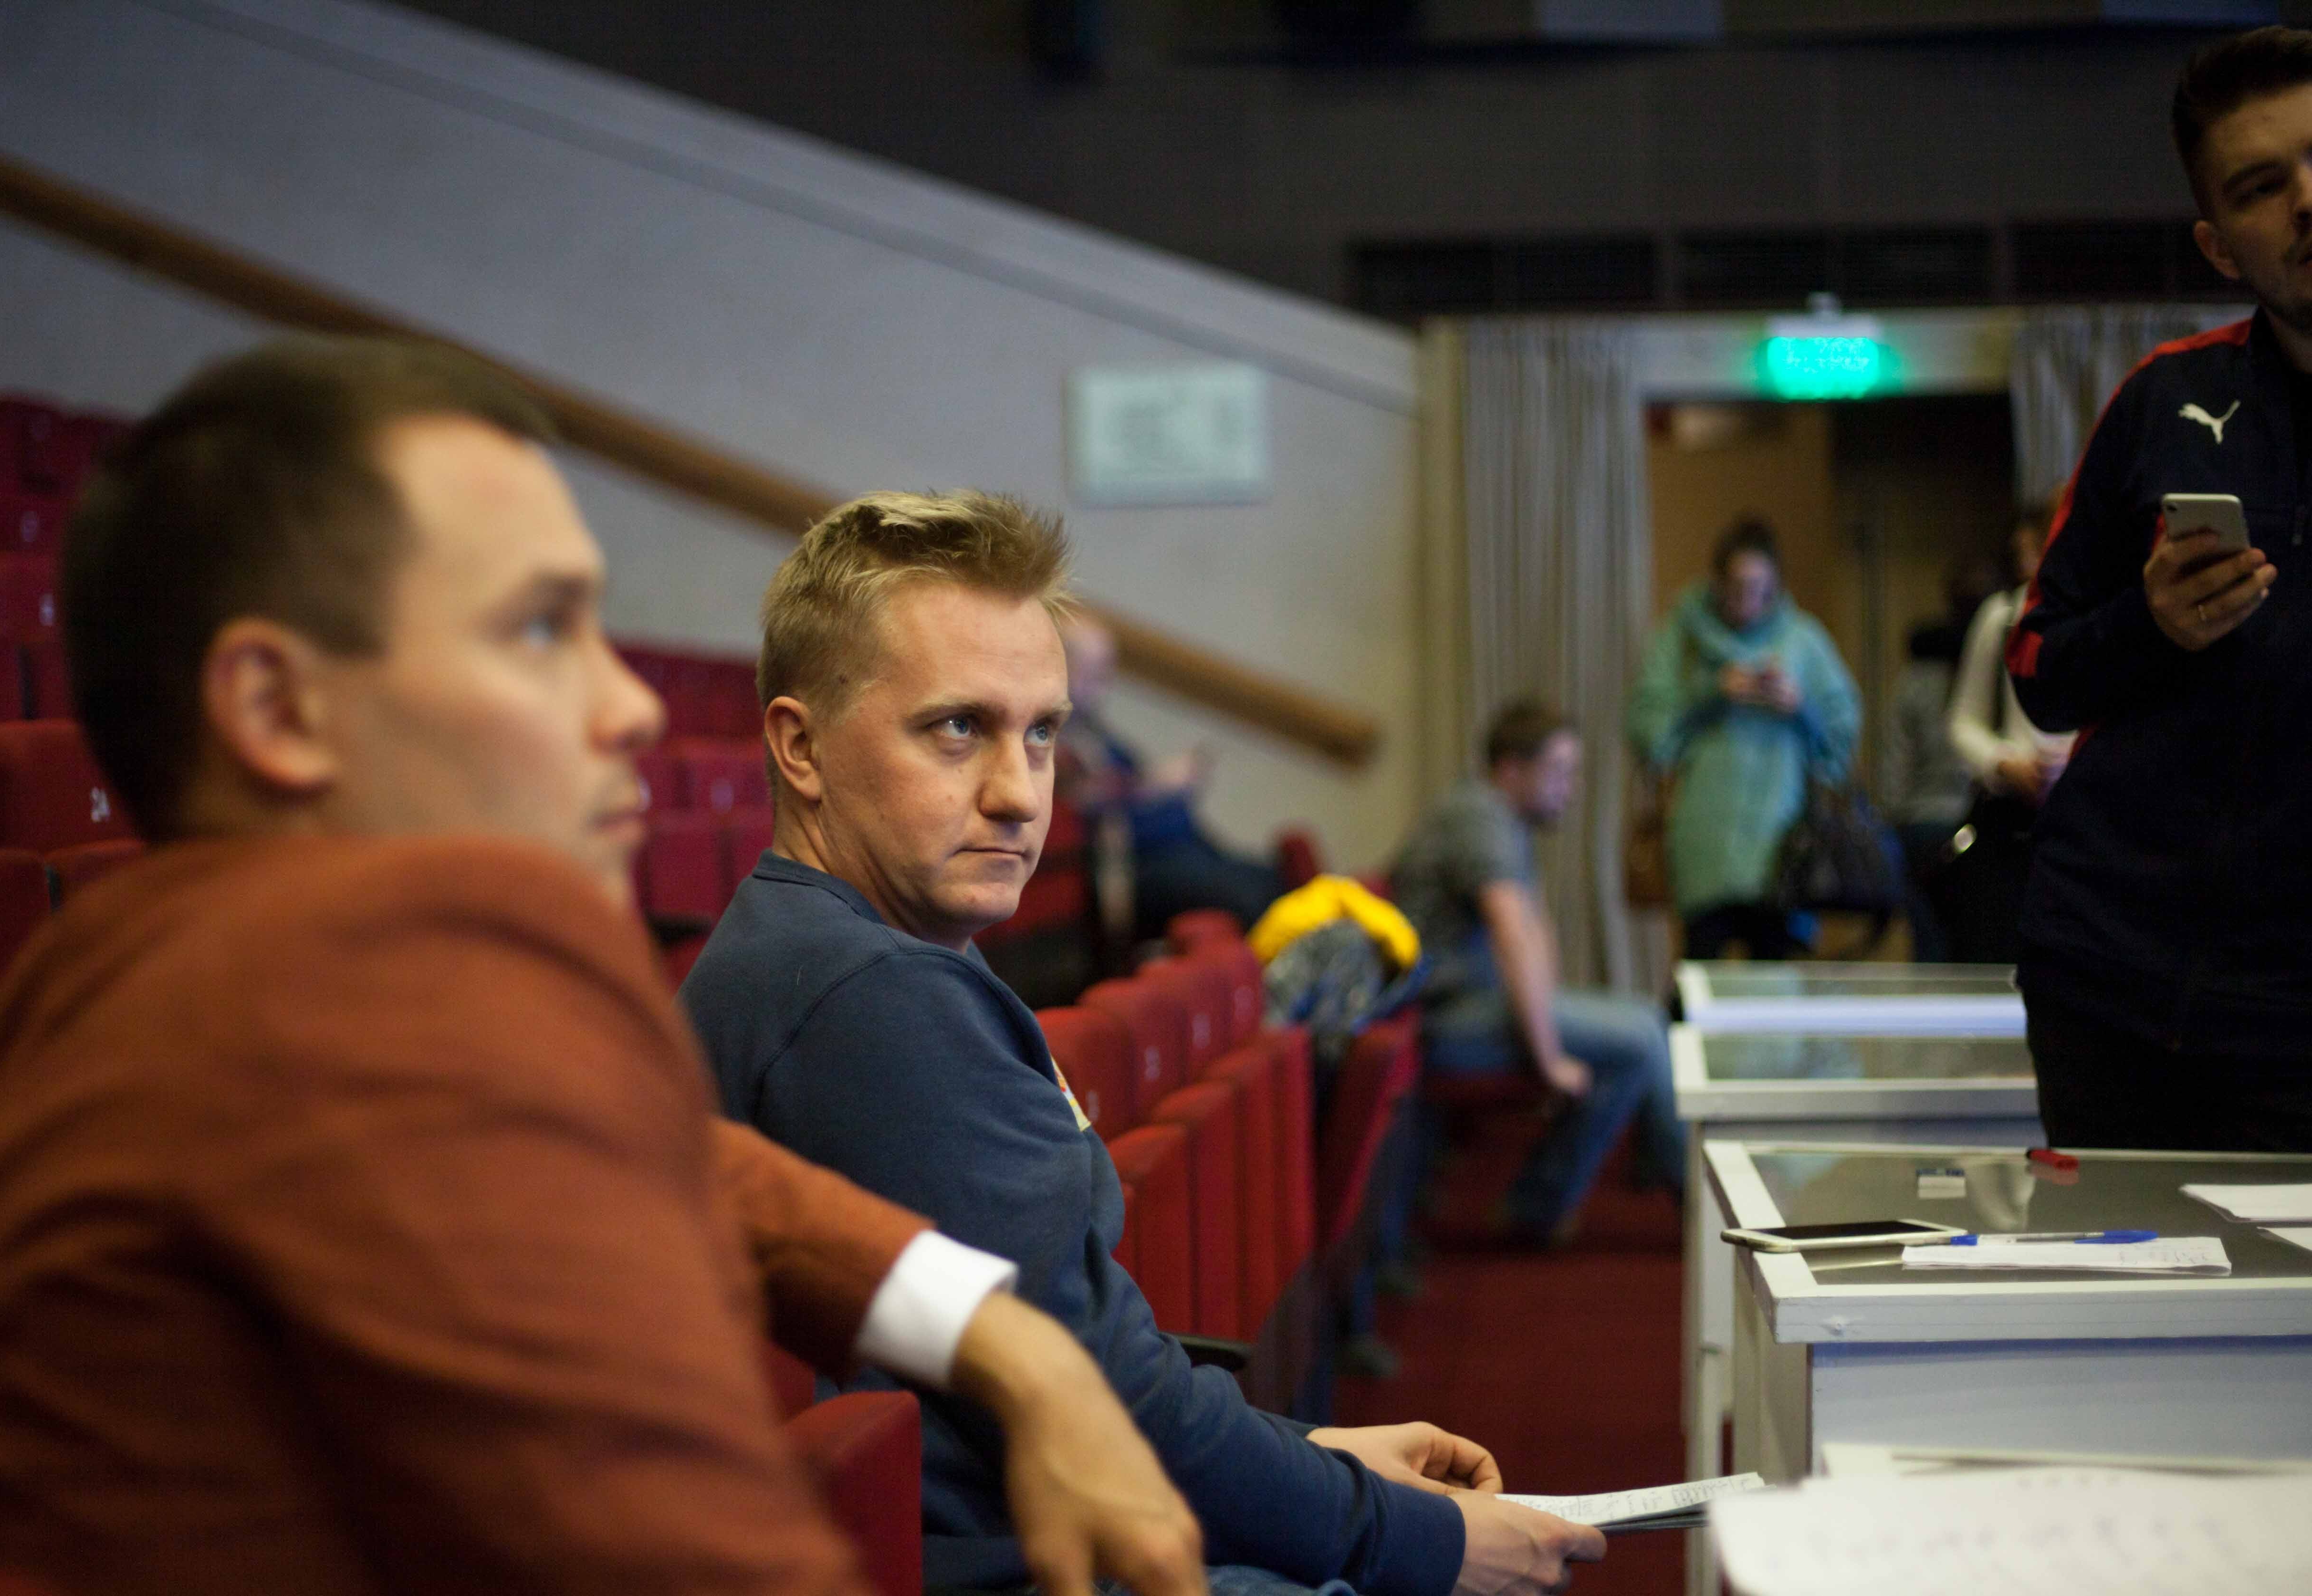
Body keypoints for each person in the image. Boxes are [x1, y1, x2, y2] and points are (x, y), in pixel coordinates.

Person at [0, 339, 1208, 1596]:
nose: (631, 705)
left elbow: (688, 1163)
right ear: (277, 709)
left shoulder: (268, 973)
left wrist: (1003, 1339)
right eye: (540, 628)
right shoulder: (295, 1048)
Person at [681, 490, 1603, 1596]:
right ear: (800, 746)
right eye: (957, 728)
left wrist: (1319, 1450)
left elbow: (1094, 1366)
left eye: (1042, 732)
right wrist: (1423, 1541)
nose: (1019, 793)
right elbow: (1104, 1399)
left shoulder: (852, 949)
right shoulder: (868, 995)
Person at [2008, 25, 2312, 1151]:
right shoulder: (2161, 403)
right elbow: (2038, 667)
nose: (2308, 201)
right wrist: (2149, 624)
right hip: (2113, 987)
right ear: (2220, 246)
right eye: (2261, 186)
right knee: (2112, 1268)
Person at [1386, 700, 1686, 1247]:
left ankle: (1541, 1205)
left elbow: (1535, 930)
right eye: (1559, 771)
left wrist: (1554, 1020)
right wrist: (1549, 1059)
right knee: (1641, 1039)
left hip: (1478, 1006)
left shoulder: (1504, 820)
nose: (1571, 788)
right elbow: (1511, 935)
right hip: (1440, 1021)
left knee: (1644, 1019)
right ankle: (1696, 1202)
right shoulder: (1479, 818)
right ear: (1511, 769)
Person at [1627, 518, 1862, 961]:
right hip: (1703, 834)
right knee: (1701, 967)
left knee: (1776, 976)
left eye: (1760, 588)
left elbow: (1841, 734)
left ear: (1776, 586)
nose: (1748, 600)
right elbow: (1647, 729)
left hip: (1783, 840)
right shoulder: (1683, 636)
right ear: (1717, 583)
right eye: (1737, 587)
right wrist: (1712, 694)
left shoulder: (1802, 639)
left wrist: (1799, 705)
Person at [1058, 612, 1287, 938]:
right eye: (1093, 670)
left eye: (1107, 668)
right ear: (1060, 666)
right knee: (1248, 899)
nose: (1105, 680)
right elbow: (1080, 800)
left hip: (1181, 844)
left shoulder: (1093, 728)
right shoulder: (1055, 734)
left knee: (1274, 878)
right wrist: (1158, 784)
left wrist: (1169, 782)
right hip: (1138, 863)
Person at [1944, 516, 2073, 964]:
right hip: (2011, 815)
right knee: (1998, 949)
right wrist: (2004, 762)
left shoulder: (2106, 614)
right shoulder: (2002, 616)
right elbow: (1962, 721)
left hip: (2083, 813)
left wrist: (2074, 763)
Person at [1883, 551, 2004, 961]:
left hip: (1927, 825)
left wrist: (1898, 819)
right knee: (1978, 951)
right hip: (1973, 826)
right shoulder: (1999, 672)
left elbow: (1894, 763)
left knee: (1933, 951)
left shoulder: (1918, 676)